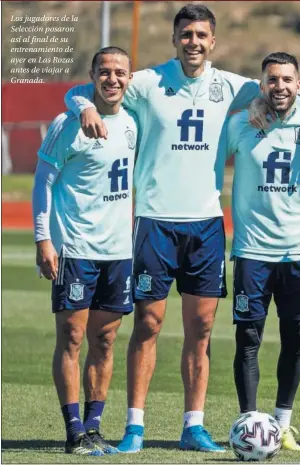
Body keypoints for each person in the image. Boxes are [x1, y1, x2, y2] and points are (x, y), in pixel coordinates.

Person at [62, 4, 300, 453]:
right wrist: (84, 102)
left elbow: (285, 91)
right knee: (147, 324)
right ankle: (135, 427)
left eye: (202, 35)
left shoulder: (230, 86)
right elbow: (88, 88)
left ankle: (193, 425)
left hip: (206, 223)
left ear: (213, 41)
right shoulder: (147, 82)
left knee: (201, 329)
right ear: (175, 39)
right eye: (186, 34)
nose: (194, 42)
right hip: (154, 221)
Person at [219, 52, 300, 452]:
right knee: (248, 337)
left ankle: (282, 424)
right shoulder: (239, 124)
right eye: (272, 80)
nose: (279, 86)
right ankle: (249, 423)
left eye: (287, 80)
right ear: (261, 84)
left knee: (295, 336)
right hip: (252, 250)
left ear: (299, 85)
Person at [33, 46, 137, 456]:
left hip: (119, 251)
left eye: (120, 73)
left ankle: (95, 427)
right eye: (105, 72)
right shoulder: (67, 124)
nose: (112, 79)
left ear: (130, 78)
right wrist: (44, 239)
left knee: (106, 340)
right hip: (74, 248)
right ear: (92, 76)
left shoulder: (133, 123)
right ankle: (73, 429)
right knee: (72, 336)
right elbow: (42, 181)